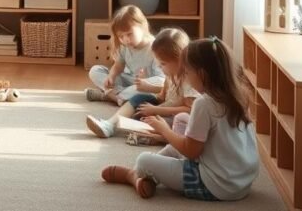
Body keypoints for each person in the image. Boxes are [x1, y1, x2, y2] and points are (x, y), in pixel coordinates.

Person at [101, 37, 259, 201]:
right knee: (182, 125)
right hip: (241, 182)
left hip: (215, 185)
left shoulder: (204, 104)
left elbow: (190, 151)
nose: (186, 77)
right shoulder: (238, 95)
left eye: (187, 72)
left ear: (202, 74)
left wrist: (164, 130)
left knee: (144, 161)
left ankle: (133, 175)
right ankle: (149, 175)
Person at [85, 27, 198, 140]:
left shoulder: (188, 81)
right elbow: (161, 97)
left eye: (163, 63)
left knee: (165, 124)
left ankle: (155, 137)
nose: (159, 66)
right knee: (140, 99)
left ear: (180, 60)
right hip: (163, 110)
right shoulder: (171, 75)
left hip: (175, 117)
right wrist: (147, 90)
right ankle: (109, 125)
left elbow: (189, 110)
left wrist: (157, 110)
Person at [86, 5, 165, 104]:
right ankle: (118, 96)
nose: (126, 40)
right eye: (121, 36)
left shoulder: (155, 47)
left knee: (143, 89)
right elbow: (119, 65)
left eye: (129, 34)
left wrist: (144, 82)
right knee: (95, 70)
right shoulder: (125, 45)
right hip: (127, 80)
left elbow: (162, 80)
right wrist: (111, 76)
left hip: (145, 85)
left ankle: (108, 95)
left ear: (142, 26)